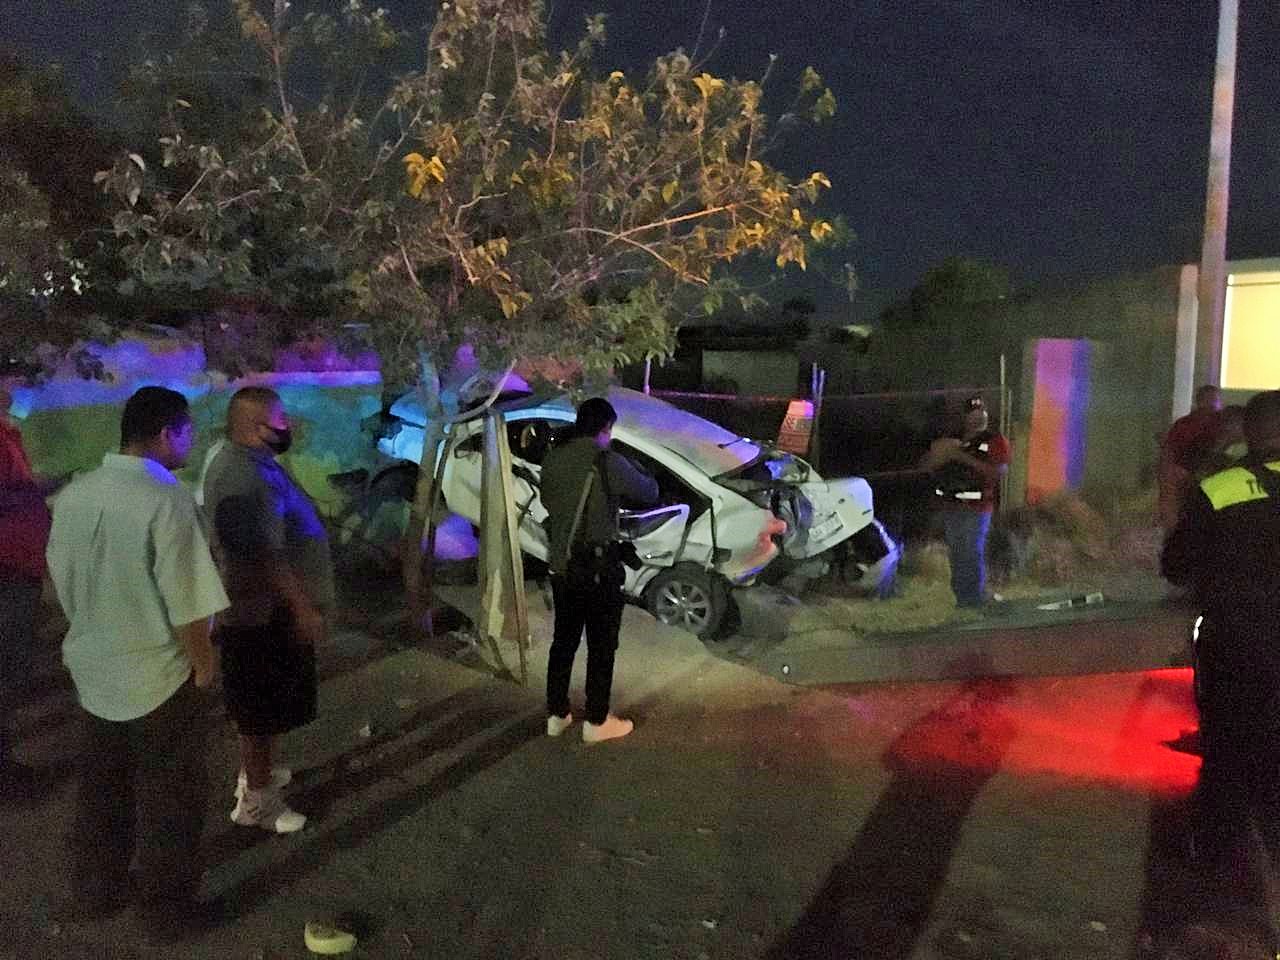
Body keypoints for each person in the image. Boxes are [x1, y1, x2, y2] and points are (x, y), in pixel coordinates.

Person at [44, 387, 228, 932]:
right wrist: (204, 665)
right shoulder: (166, 499)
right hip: (158, 677)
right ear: (167, 433)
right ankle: (165, 913)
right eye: (188, 432)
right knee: (170, 800)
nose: (192, 442)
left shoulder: (75, 495)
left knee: (103, 791)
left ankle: (96, 890)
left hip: (94, 671)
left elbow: (60, 581)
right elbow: (188, 601)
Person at [202, 386, 332, 832]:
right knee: (259, 710)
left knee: (269, 706)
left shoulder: (252, 462)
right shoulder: (242, 476)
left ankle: (256, 776)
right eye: (281, 420)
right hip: (259, 615)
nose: (287, 426)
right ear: (257, 428)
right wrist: (302, 609)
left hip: (267, 610)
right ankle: (257, 803)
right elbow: (261, 555)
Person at [1162, 389, 1280, 870]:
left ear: (1249, 433)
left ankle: (1217, 855)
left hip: (1236, 639)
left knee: (1227, 744)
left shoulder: (1220, 487)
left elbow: (1176, 565)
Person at [539, 397, 657, 744]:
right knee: (601, 646)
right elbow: (649, 491)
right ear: (606, 428)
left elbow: (548, 501)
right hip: (598, 569)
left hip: (562, 566)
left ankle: (557, 715)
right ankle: (596, 720)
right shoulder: (608, 461)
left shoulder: (553, 458)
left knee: (563, 642)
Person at [0, 381, 57, 788]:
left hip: (20, 564)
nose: (21, 388)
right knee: (8, 669)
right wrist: (37, 493)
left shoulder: (9, 435)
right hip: (9, 566)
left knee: (13, 668)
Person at [920, 395, 1011, 608]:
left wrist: (960, 457)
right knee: (957, 553)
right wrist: (941, 453)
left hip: (977, 507)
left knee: (971, 551)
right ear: (965, 417)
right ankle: (963, 598)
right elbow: (927, 466)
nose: (978, 416)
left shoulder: (995, 441)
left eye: (981, 411)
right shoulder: (954, 440)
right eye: (973, 412)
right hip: (952, 506)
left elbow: (996, 472)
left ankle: (976, 597)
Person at [1157, 384, 1223, 529]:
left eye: (1216, 401)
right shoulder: (1186, 424)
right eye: (1213, 400)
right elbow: (1170, 450)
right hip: (1186, 471)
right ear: (1201, 402)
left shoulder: (1220, 423)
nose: (1215, 405)